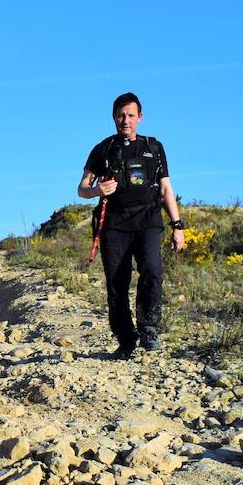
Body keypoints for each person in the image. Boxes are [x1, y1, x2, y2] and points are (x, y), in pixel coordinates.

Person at [78, 92, 186, 358]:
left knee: (152, 271)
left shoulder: (154, 147)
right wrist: (98, 191)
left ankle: (149, 330)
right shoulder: (102, 149)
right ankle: (126, 340)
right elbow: (82, 188)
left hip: (148, 221)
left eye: (130, 115)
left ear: (140, 117)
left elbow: (166, 188)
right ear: (114, 118)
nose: (125, 121)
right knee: (117, 283)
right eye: (120, 116)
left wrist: (178, 225)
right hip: (114, 224)